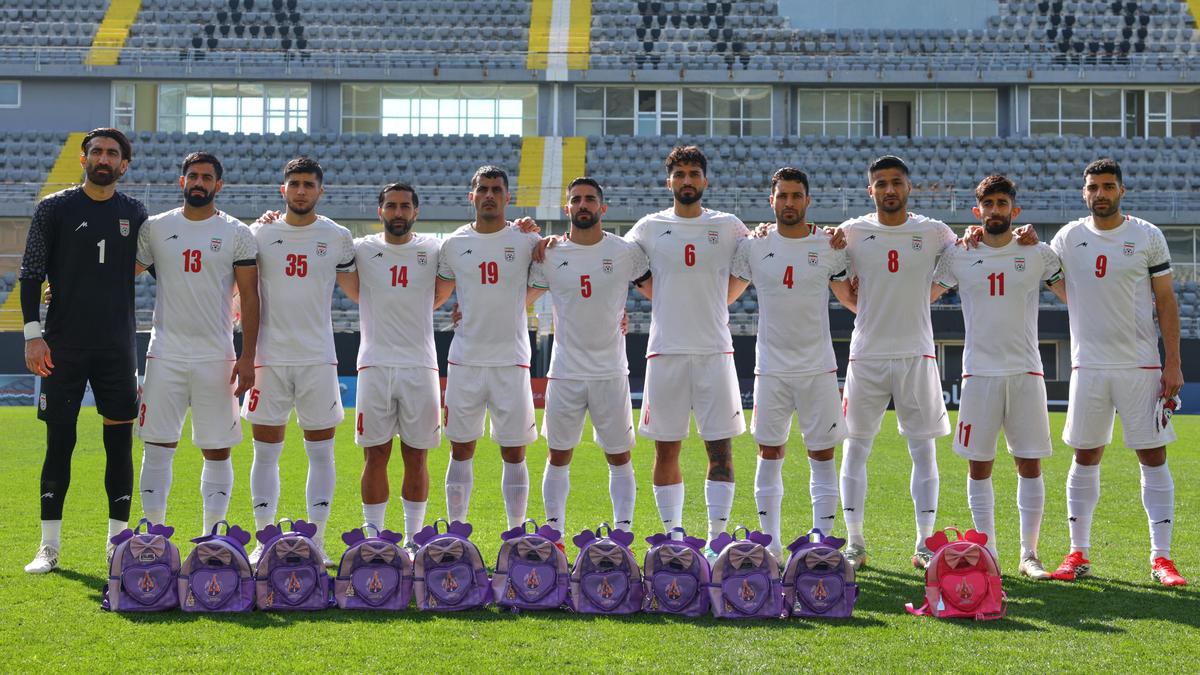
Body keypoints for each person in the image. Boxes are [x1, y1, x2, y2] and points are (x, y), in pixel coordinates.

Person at [1047, 158, 1186, 586]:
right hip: (1088, 365)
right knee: (1085, 455)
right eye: (1093, 187)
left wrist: (1173, 362)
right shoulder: (1068, 237)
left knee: (1152, 456)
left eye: (1108, 186)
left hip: (1141, 364)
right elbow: (1042, 269)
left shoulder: (1147, 235)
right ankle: (1078, 553)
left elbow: (1165, 302)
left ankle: (1161, 558)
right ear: (1084, 192)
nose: (1100, 194)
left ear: (1121, 191)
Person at [21, 128, 147, 573]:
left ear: (124, 164)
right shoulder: (53, 207)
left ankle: (118, 545)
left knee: (119, 447)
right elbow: (32, 272)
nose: (104, 158)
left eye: (113, 153)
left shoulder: (135, 211)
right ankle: (48, 547)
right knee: (59, 443)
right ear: (83, 157)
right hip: (62, 346)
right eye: (97, 151)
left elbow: (158, 254)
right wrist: (32, 334)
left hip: (117, 347)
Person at [930, 175, 1063, 579]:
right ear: (977, 211)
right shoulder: (958, 254)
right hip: (979, 375)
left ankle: (1029, 554)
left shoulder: (1038, 253)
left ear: (1014, 210)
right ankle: (987, 552)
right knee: (979, 466)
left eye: (1002, 203)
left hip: (1026, 371)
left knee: (1030, 464)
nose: (995, 210)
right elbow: (921, 294)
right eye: (988, 204)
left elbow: (1078, 295)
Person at [624, 146, 749, 559]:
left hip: (715, 351)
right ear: (669, 182)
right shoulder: (648, 227)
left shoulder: (729, 227)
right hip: (666, 353)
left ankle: (716, 540)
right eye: (679, 174)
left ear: (705, 181)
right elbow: (614, 262)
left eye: (694, 173)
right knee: (666, 448)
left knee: (721, 450)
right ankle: (673, 537)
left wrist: (722, 300)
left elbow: (754, 263)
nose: (687, 180)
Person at [835, 155, 958, 570]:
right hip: (866, 355)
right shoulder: (851, 233)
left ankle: (925, 544)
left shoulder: (935, 232)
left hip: (916, 355)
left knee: (923, 451)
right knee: (855, 448)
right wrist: (861, 305)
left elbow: (968, 258)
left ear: (909, 187)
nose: (889, 189)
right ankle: (855, 543)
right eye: (881, 183)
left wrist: (924, 298)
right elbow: (836, 279)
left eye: (896, 182)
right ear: (870, 190)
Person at [729, 168, 856, 561]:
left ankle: (823, 544)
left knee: (822, 455)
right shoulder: (753, 245)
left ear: (807, 200)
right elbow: (722, 299)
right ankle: (771, 545)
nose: (788, 202)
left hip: (818, 368)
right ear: (772, 201)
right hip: (771, 369)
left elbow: (853, 300)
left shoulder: (830, 245)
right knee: (769, 453)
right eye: (782, 195)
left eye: (796, 195)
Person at [133, 152, 259, 536]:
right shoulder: (154, 227)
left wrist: (248, 355)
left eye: (206, 177)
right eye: (192, 176)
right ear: (181, 181)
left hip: (216, 356)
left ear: (218, 185)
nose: (199, 182)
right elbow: (120, 275)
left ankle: (212, 538)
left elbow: (251, 297)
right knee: (156, 445)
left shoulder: (237, 232)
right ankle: (153, 537)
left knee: (218, 448)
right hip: (164, 353)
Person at [242, 156, 356, 566]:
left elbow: (362, 288)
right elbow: (240, 288)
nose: (301, 190)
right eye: (295, 184)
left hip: (318, 359)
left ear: (320, 191)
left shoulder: (337, 236)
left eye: (309, 184)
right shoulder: (259, 232)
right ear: (283, 189)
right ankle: (262, 539)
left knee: (321, 454)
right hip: (268, 359)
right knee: (265, 453)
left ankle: (318, 540)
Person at [526, 177, 649, 538]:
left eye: (590, 199)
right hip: (565, 372)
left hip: (611, 371)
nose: (583, 205)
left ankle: (623, 533)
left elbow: (660, 291)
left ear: (602, 207)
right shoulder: (548, 254)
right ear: (567, 208)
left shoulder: (626, 252)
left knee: (619, 456)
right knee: (558, 455)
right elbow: (516, 300)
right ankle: (555, 535)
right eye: (576, 199)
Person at [343, 182, 452, 545]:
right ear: (380, 211)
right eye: (391, 206)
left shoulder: (434, 249)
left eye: (405, 206)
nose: (398, 212)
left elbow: (449, 286)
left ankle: (413, 539)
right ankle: (373, 537)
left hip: (421, 366)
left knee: (417, 456)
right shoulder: (361, 248)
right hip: (374, 364)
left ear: (416, 212)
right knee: (375, 455)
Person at [434, 166, 542, 530]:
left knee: (514, 450)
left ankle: (516, 531)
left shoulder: (526, 241)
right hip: (465, 360)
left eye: (497, 189)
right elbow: (438, 294)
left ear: (508, 198)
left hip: (511, 361)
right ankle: (456, 531)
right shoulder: (452, 245)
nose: (490, 195)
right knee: (461, 447)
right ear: (472, 196)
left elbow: (546, 275)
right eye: (483, 189)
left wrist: (517, 302)